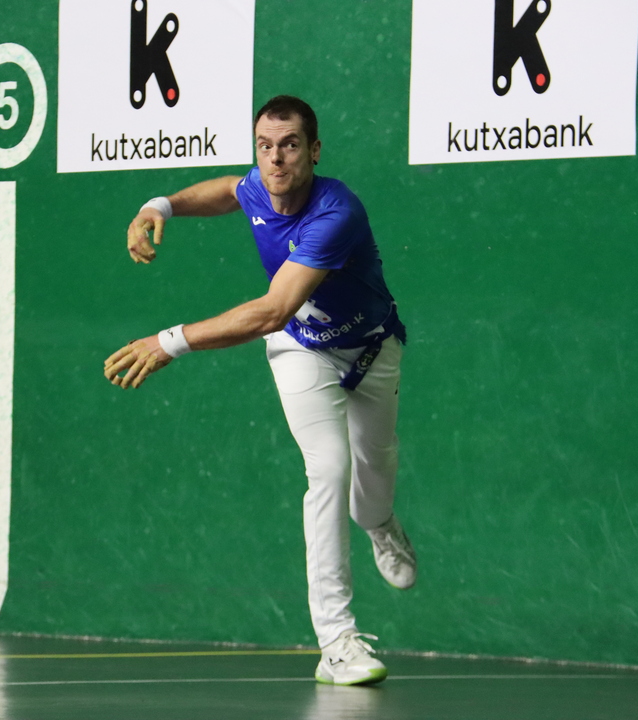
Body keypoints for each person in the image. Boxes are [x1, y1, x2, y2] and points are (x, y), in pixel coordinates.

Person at [104, 95, 415, 686]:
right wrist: (160, 205)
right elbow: (228, 191)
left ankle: (379, 522)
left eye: (290, 145)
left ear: (314, 151)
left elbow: (273, 308)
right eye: (265, 146)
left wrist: (169, 342)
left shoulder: (336, 212)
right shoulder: (258, 185)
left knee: (375, 470)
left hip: (373, 350)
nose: (275, 159)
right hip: (302, 351)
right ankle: (337, 641)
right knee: (328, 469)